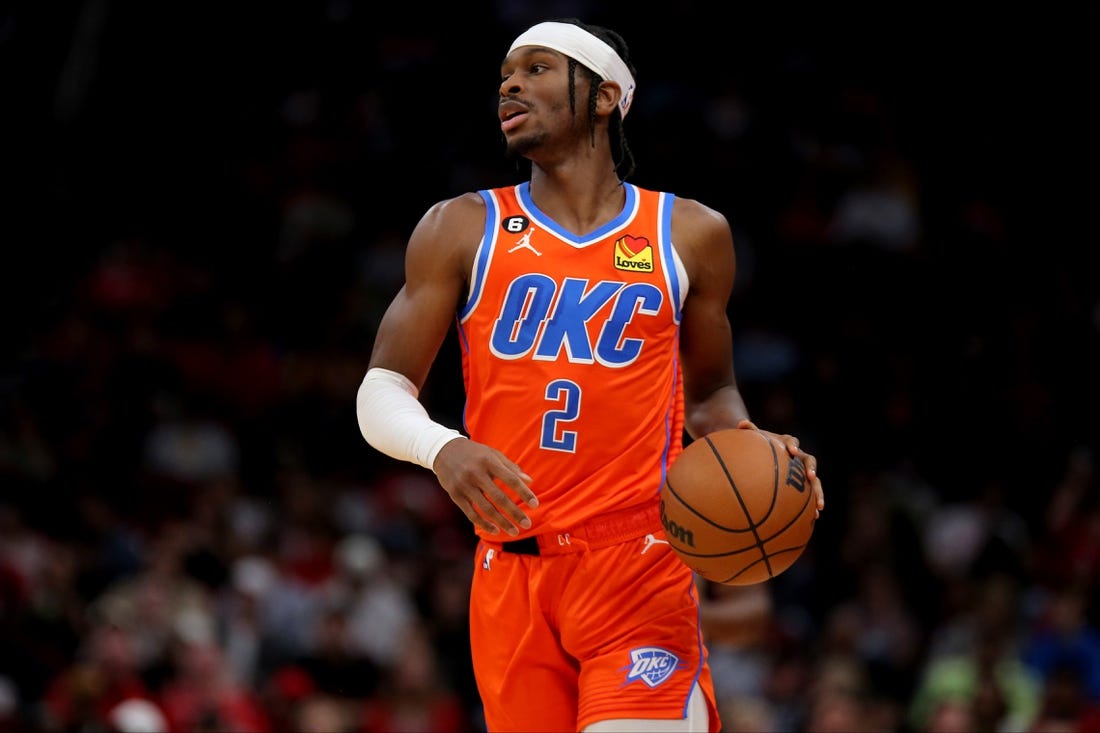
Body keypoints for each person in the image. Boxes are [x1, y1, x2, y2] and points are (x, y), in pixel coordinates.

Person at [356, 17, 824, 732]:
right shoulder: (461, 226)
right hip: (509, 572)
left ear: (605, 95)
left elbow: (709, 394)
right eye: (506, 74)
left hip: (635, 562)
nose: (511, 83)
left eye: (538, 68)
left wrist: (755, 444)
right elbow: (381, 388)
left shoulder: (690, 233)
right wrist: (440, 448)